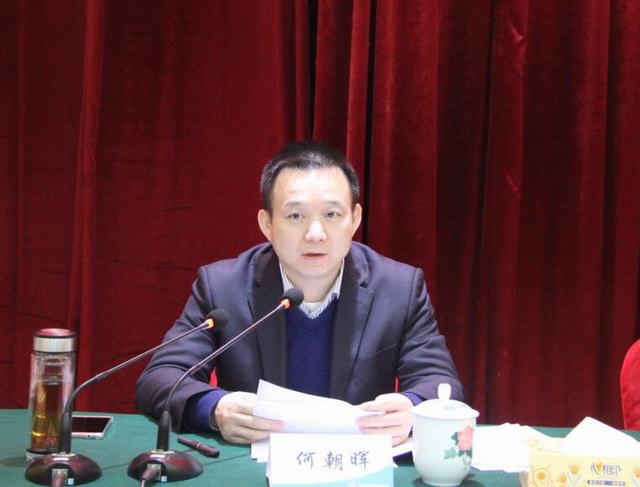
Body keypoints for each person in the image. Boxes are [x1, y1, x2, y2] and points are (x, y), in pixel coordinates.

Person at [136, 140, 464, 446]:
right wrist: (214, 408)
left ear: (355, 219)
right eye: (296, 216)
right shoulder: (223, 286)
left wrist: (412, 409)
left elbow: (440, 382)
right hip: (256, 463)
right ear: (267, 224)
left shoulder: (399, 288)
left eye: (332, 215)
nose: (315, 234)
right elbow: (160, 378)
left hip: (356, 464)